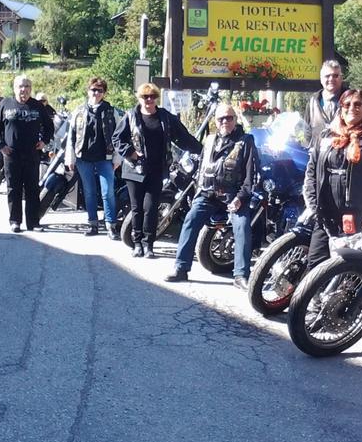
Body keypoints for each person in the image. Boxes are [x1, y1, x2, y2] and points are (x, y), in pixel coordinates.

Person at [164, 104, 260, 289]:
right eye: (221, 118)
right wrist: (197, 192)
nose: (225, 122)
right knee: (190, 219)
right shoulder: (209, 140)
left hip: (234, 196)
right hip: (208, 194)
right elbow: (201, 170)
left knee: (242, 227)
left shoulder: (246, 141)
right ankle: (181, 268)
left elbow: (252, 176)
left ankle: (241, 275)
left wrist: (240, 197)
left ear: (235, 119)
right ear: (215, 121)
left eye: (229, 118)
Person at [304, 88, 362, 270]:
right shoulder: (326, 136)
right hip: (327, 215)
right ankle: (317, 299)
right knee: (315, 264)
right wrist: (314, 207)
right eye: (347, 104)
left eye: (358, 104)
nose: (352, 108)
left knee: (361, 269)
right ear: (340, 108)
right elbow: (311, 172)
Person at [113, 82, 201, 258]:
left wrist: (202, 150)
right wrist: (131, 153)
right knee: (137, 208)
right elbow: (117, 138)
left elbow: (182, 137)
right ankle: (137, 243)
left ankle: (149, 244)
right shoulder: (131, 116)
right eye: (145, 97)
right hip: (133, 169)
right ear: (139, 98)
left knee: (151, 207)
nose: (149, 100)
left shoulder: (165, 117)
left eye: (152, 97)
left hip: (156, 169)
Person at [0, 74, 56, 233]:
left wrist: (44, 141)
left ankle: (33, 223)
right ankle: (15, 221)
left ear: (31, 89)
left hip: (32, 155)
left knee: (32, 189)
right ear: (15, 88)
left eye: (27, 86)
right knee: (14, 188)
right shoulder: (5, 104)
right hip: (11, 155)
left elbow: (49, 127)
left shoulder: (37, 106)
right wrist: (1, 145)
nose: (24, 89)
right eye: (21, 86)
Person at [65, 77, 121, 239]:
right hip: (84, 158)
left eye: (100, 90)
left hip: (105, 158)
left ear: (104, 93)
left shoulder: (111, 111)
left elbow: (119, 136)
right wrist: (70, 158)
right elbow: (71, 136)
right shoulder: (79, 111)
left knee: (107, 192)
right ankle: (93, 224)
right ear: (88, 91)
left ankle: (111, 225)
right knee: (89, 192)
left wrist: (117, 158)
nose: (96, 93)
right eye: (93, 90)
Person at [303, 60, 349, 141]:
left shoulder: (351, 98)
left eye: (335, 75)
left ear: (341, 78)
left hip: (343, 151)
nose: (331, 79)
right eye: (327, 76)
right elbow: (307, 132)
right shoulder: (312, 102)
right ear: (321, 79)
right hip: (318, 152)